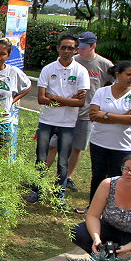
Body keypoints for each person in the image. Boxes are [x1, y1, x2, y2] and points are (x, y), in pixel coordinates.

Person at [25, 34, 90, 205]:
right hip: (46, 121)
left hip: (68, 124)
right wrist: (69, 100)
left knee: (63, 162)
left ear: (76, 50)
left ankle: (58, 195)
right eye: (64, 47)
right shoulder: (48, 69)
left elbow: (80, 103)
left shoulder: (81, 71)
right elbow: (41, 99)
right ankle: (36, 191)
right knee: (41, 159)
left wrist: (53, 97)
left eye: (71, 48)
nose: (67, 51)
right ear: (58, 48)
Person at [46, 31, 114, 192]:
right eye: (79, 47)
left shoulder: (104, 64)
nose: (80, 50)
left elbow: (115, 84)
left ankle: (67, 177)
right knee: (52, 145)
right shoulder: (72, 60)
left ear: (93, 46)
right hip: (65, 112)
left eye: (83, 47)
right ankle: (39, 175)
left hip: (86, 114)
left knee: (77, 147)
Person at [84, 61, 131, 205]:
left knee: (117, 178)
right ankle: (93, 207)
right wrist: (123, 117)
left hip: (122, 145)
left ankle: (112, 209)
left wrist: (105, 115)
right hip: (99, 142)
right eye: (128, 74)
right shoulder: (102, 92)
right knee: (98, 176)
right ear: (118, 74)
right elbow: (93, 115)